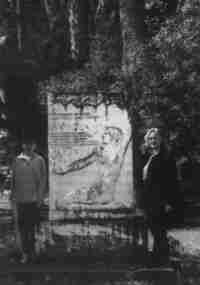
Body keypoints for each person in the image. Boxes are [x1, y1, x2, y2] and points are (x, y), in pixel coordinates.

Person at [140, 128, 183, 264]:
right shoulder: (147, 156)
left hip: (160, 201)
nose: (153, 141)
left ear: (160, 140)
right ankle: (159, 260)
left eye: (155, 138)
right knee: (156, 231)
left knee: (159, 232)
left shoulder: (166, 157)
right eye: (150, 139)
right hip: (148, 200)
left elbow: (171, 182)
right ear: (147, 140)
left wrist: (169, 202)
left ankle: (160, 262)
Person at [10, 138, 47, 263]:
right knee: (23, 229)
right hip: (20, 200)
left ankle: (34, 253)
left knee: (33, 228)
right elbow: (13, 181)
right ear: (22, 145)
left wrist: (40, 198)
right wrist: (13, 198)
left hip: (34, 200)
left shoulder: (40, 160)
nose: (28, 146)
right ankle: (25, 254)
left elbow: (43, 180)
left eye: (31, 144)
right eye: (26, 143)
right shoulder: (16, 160)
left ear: (35, 145)